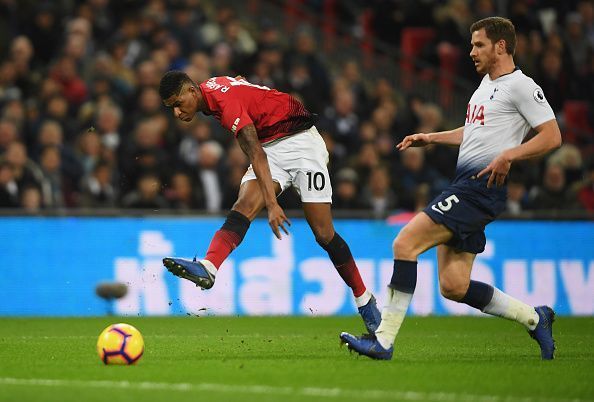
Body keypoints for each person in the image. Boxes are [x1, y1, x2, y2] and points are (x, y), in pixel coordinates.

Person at [340, 17, 561, 360]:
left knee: (405, 242)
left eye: (479, 45)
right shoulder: (485, 86)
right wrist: (432, 138)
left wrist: (509, 156)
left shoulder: (521, 86)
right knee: (454, 286)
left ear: (501, 46)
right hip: (466, 185)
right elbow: (473, 132)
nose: (471, 51)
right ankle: (535, 318)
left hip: (480, 189)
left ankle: (382, 340)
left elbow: (552, 135)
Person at [158, 71, 381, 333]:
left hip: (301, 144)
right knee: (243, 206)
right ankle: (209, 267)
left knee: (323, 234)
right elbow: (238, 82)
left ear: (192, 92)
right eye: (171, 107)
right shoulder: (210, 88)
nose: (176, 112)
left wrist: (272, 204)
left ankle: (364, 299)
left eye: (177, 103)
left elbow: (255, 154)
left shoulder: (225, 105)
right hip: (271, 145)